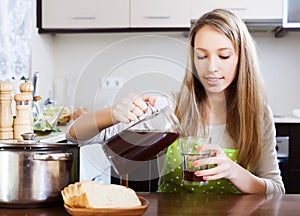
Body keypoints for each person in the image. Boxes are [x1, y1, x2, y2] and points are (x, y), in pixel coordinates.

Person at [66, 9, 285, 194]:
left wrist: (236, 173)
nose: (212, 67)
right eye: (202, 56)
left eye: (224, 56)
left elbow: (276, 188)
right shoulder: (170, 108)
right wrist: (113, 113)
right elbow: (75, 135)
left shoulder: (259, 115)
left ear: (241, 58)